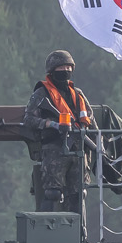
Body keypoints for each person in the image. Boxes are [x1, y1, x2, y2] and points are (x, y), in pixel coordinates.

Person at [21, 49, 96, 217]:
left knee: (79, 195)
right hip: (54, 149)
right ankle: (42, 233)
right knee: (52, 193)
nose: (65, 71)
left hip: (79, 151)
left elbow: (91, 121)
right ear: (52, 70)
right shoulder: (41, 94)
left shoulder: (78, 95)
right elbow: (28, 120)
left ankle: (79, 237)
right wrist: (51, 124)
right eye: (61, 67)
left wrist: (98, 143)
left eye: (68, 67)